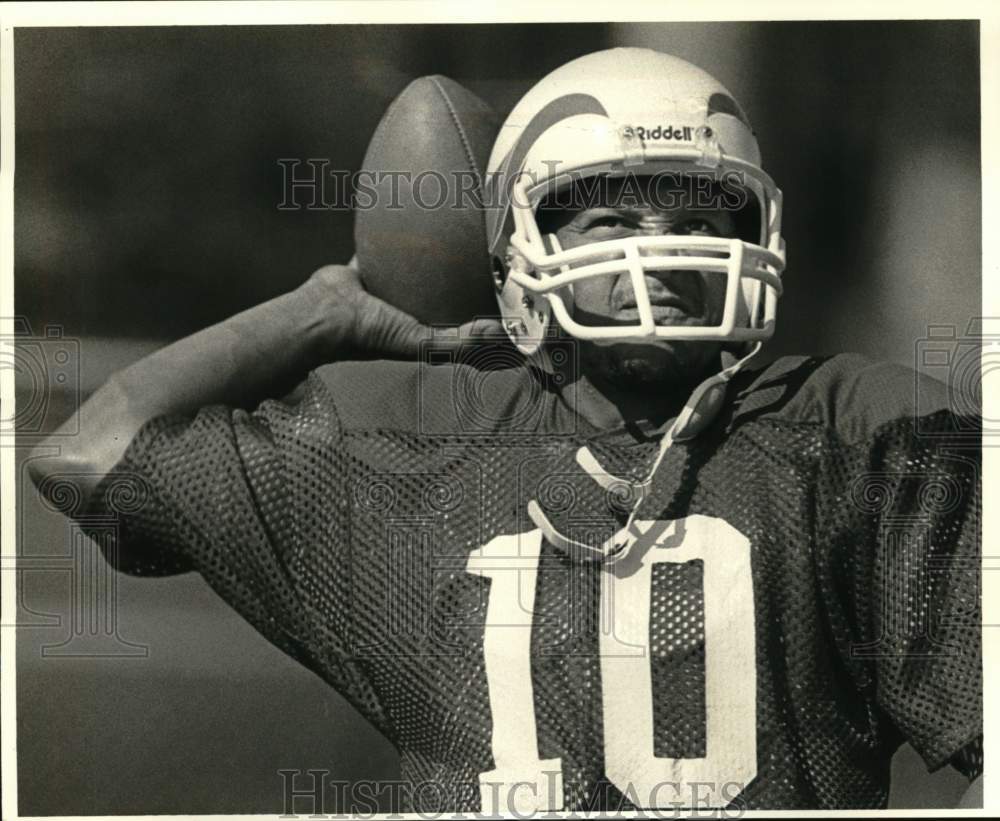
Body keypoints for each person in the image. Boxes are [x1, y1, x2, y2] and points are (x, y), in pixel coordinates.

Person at [29, 48, 981, 812]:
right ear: (513, 249)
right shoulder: (407, 451)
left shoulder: (866, 438)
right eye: (609, 216)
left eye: (697, 211)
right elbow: (87, 454)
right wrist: (323, 309)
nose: (660, 247)